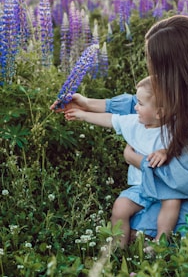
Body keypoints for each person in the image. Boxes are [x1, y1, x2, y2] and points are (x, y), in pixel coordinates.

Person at [51, 15, 188, 242]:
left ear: (178, 66)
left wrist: (135, 159)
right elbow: (151, 104)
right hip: (185, 177)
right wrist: (88, 103)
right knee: (129, 220)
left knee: (137, 231)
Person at [63, 76, 181, 248]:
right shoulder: (134, 123)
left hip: (164, 185)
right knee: (120, 207)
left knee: (172, 202)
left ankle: (160, 243)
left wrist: (166, 151)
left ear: (159, 113)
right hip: (140, 187)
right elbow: (110, 119)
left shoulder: (173, 129)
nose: (135, 107)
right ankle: (117, 249)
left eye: (140, 103)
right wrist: (82, 115)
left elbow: (184, 146)